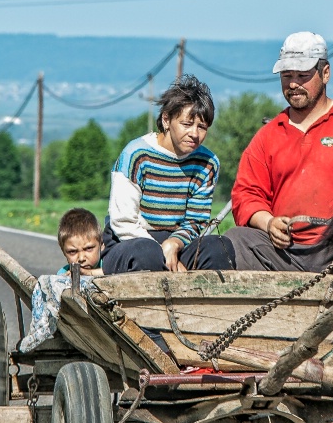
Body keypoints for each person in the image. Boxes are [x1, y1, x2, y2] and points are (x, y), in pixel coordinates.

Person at [224, 31, 333, 274]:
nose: (293, 84)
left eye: (302, 76)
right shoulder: (268, 135)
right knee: (231, 241)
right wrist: (269, 223)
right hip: (281, 253)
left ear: (325, 74)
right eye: (286, 76)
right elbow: (246, 195)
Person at [100, 74, 235, 275]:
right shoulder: (136, 155)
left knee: (219, 247)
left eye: (202, 127)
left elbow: (196, 221)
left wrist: (174, 243)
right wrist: (161, 253)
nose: (195, 134)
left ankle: (202, 305)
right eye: (186, 124)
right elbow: (123, 222)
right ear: (166, 119)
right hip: (129, 243)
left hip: (178, 244)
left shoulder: (207, 163)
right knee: (146, 254)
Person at [56, 207, 103, 276]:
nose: (81, 258)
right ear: (63, 250)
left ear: (101, 244)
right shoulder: (63, 274)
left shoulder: (111, 266)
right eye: (72, 252)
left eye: (88, 248)